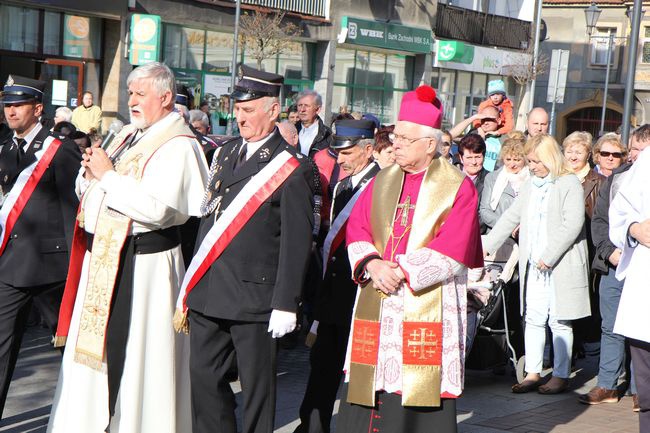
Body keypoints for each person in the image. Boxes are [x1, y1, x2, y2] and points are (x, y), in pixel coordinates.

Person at [47, 62, 209, 433]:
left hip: (145, 265)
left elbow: (158, 209)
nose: (131, 101)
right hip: (105, 257)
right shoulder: (126, 135)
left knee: (139, 361)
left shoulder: (179, 145)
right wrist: (88, 178)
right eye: (130, 93)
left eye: (140, 94)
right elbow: (93, 189)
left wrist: (107, 177)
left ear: (165, 97)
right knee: (93, 361)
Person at [173, 65, 314, 433]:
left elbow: (297, 243)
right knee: (203, 382)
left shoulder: (292, 168)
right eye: (237, 109)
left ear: (272, 109)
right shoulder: (225, 152)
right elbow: (207, 219)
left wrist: (286, 302)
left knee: (257, 392)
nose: (240, 117)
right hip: (210, 291)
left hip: (255, 296)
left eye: (249, 110)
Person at [336, 85, 483, 433]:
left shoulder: (457, 186)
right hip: (378, 297)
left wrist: (398, 271)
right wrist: (371, 264)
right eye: (394, 136)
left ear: (429, 144)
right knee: (370, 386)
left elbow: (455, 247)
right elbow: (357, 227)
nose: (395, 144)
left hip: (423, 300)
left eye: (403, 138)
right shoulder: (382, 180)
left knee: (417, 396)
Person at [483, 134, 590, 395]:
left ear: (550, 158)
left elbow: (572, 224)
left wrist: (549, 255)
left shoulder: (568, 183)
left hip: (559, 264)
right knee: (533, 317)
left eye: (536, 161)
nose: (532, 166)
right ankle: (532, 372)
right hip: (534, 265)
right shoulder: (532, 184)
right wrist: (484, 246)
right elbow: (511, 217)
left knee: (559, 320)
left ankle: (561, 375)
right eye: (530, 161)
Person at [0, 75, 80, 417]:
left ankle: (86, 417)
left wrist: (76, 268)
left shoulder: (59, 150)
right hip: (10, 267)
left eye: (18, 105)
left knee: (69, 349)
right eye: (7, 105)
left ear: (37, 108)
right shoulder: (4, 148)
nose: (10, 111)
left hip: (52, 269)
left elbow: (70, 210)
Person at [295, 119, 379, 433]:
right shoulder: (344, 184)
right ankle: (312, 426)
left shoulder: (380, 185)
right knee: (322, 368)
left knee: (352, 374)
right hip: (332, 292)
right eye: (337, 152)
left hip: (359, 294)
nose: (339, 159)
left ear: (368, 149)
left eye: (346, 152)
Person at [580, 125, 650, 409]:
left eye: (641, 151)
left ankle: (638, 389)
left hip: (640, 266)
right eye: (633, 150)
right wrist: (609, 252)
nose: (635, 156)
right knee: (610, 326)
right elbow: (601, 220)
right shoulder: (619, 180)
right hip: (615, 264)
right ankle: (607, 384)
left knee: (641, 329)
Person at [609, 131, 650, 430]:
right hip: (645, 291)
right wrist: (633, 228)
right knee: (647, 389)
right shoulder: (647, 161)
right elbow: (620, 212)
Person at [479, 135, 529, 232]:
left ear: (524, 159)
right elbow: (485, 210)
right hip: (497, 233)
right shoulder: (492, 178)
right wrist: (509, 227)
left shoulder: (532, 178)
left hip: (524, 234)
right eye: (508, 159)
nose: (512, 164)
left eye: (517, 160)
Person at [450, 106, 501, 171]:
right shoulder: (473, 135)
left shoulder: (504, 140)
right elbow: (450, 135)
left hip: (489, 179)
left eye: (490, 120)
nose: (486, 123)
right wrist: (474, 118)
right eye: (483, 119)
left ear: (499, 121)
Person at [296, 89, 333, 157]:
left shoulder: (327, 135)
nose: (302, 110)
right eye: (300, 105)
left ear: (318, 109)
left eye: (307, 106)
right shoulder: (292, 130)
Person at [458, 133, 489, 199]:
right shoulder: (451, 176)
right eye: (469, 157)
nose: (474, 162)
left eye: (478, 157)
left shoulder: (490, 180)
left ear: (484, 157)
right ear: (461, 158)